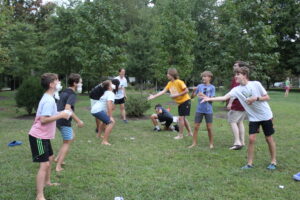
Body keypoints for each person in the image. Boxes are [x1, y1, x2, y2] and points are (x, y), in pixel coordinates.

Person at [202, 66, 277, 170]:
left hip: (265, 115)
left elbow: (267, 97)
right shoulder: (236, 90)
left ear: (244, 75)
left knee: (268, 138)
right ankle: (249, 164)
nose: (235, 76)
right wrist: (208, 98)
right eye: (235, 74)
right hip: (254, 117)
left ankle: (273, 161)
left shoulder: (256, 84)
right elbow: (224, 97)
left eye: (238, 74)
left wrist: (256, 98)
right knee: (251, 139)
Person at [28, 73, 71, 200]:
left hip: (44, 136)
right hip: (38, 137)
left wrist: (61, 112)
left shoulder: (49, 97)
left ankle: (47, 182)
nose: (59, 82)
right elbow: (43, 120)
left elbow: (50, 114)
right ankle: (39, 195)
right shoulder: (48, 99)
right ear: (51, 84)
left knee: (51, 158)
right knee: (44, 165)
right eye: (57, 80)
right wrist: (61, 115)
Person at [148, 68, 193, 139]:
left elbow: (186, 90)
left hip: (186, 101)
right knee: (183, 118)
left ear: (172, 74)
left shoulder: (179, 82)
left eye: (168, 73)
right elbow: (163, 91)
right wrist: (154, 96)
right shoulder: (169, 83)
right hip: (180, 103)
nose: (167, 75)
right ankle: (190, 133)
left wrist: (176, 95)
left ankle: (180, 135)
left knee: (181, 118)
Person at [55, 73, 84, 172]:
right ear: (75, 83)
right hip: (63, 120)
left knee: (71, 137)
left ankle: (58, 158)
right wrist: (78, 121)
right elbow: (68, 109)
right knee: (67, 142)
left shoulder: (64, 91)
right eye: (80, 82)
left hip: (58, 119)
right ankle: (58, 166)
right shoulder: (72, 94)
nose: (81, 84)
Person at [189, 71, 215, 149]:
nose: (203, 78)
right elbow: (192, 97)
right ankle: (194, 143)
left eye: (205, 76)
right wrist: (193, 91)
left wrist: (203, 95)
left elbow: (212, 100)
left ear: (210, 78)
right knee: (196, 127)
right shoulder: (199, 86)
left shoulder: (212, 87)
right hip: (199, 110)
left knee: (209, 128)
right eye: (203, 76)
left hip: (208, 110)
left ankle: (211, 144)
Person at [227, 61, 247, 150]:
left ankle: (237, 142)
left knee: (232, 121)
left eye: (235, 65)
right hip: (243, 104)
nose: (233, 66)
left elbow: (235, 91)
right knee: (240, 122)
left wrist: (230, 102)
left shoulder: (237, 77)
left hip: (236, 104)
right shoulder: (244, 77)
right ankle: (242, 141)